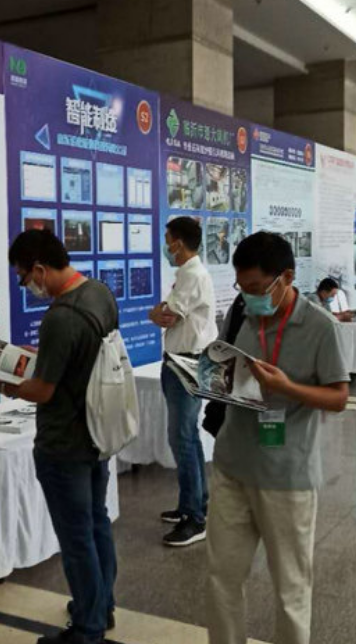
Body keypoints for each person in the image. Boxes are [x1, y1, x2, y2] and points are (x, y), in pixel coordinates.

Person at [206, 232, 350, 644]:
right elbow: (226, 366)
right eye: (242, 287)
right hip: (232, 465)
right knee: (221, 579)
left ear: (286, 277)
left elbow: (339, 397)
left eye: (256, 288)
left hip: (287, 475)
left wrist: (287, 388)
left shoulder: (320, 326)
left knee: (291, 587)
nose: (248, 296)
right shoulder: (242, 313)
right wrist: (209, 379)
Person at [0, 229, 117, 644]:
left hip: (64, 443)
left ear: (40, 269)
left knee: (76, 536)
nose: (25, 284)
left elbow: (43, 390)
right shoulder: (99, 293)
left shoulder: (60, 316)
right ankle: (101, 606)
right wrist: (41, 358)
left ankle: (87, 629)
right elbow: (82, 359)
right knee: (96, 523)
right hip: (98, 433)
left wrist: (6, 385)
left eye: (23, 276)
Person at [149, 217, 218, 546]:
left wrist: (154, 313)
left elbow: (167, 316)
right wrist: (159, 311)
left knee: (182, 438)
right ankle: (194, 503)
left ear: (178, 242)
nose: (166, 246)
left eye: (168, 239)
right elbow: (166, 312)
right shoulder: (189, 273)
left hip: (186, 363)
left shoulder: (192, 274)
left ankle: (195, 518)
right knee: (186, 436)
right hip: (182, 361)